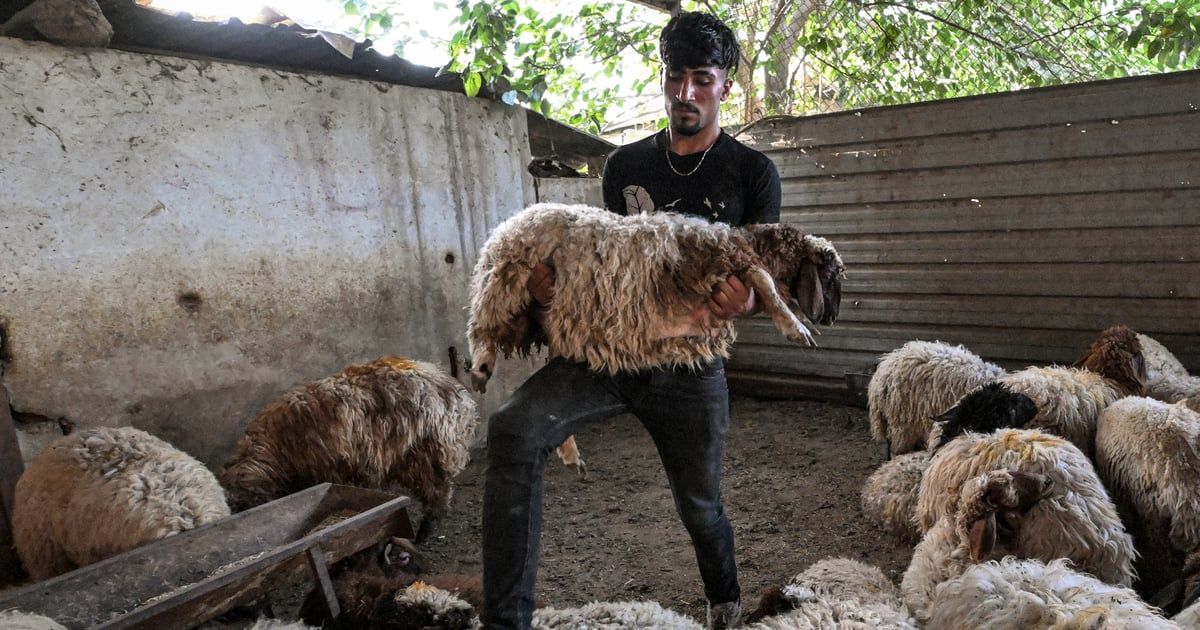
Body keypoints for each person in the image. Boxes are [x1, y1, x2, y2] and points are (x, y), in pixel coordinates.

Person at [480, 11, 781, 630]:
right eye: (676, 77)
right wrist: (544, 296)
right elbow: (602, 269)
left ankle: (724, 604)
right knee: (512, 428)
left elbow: (759, 272)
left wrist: (746, 306)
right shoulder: (623, 168)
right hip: (609, 355)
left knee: (700, 508)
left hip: (691, 363)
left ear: (726, 85)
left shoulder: (751, 173)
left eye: (702, 79)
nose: (686, 94)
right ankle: (505, 621)